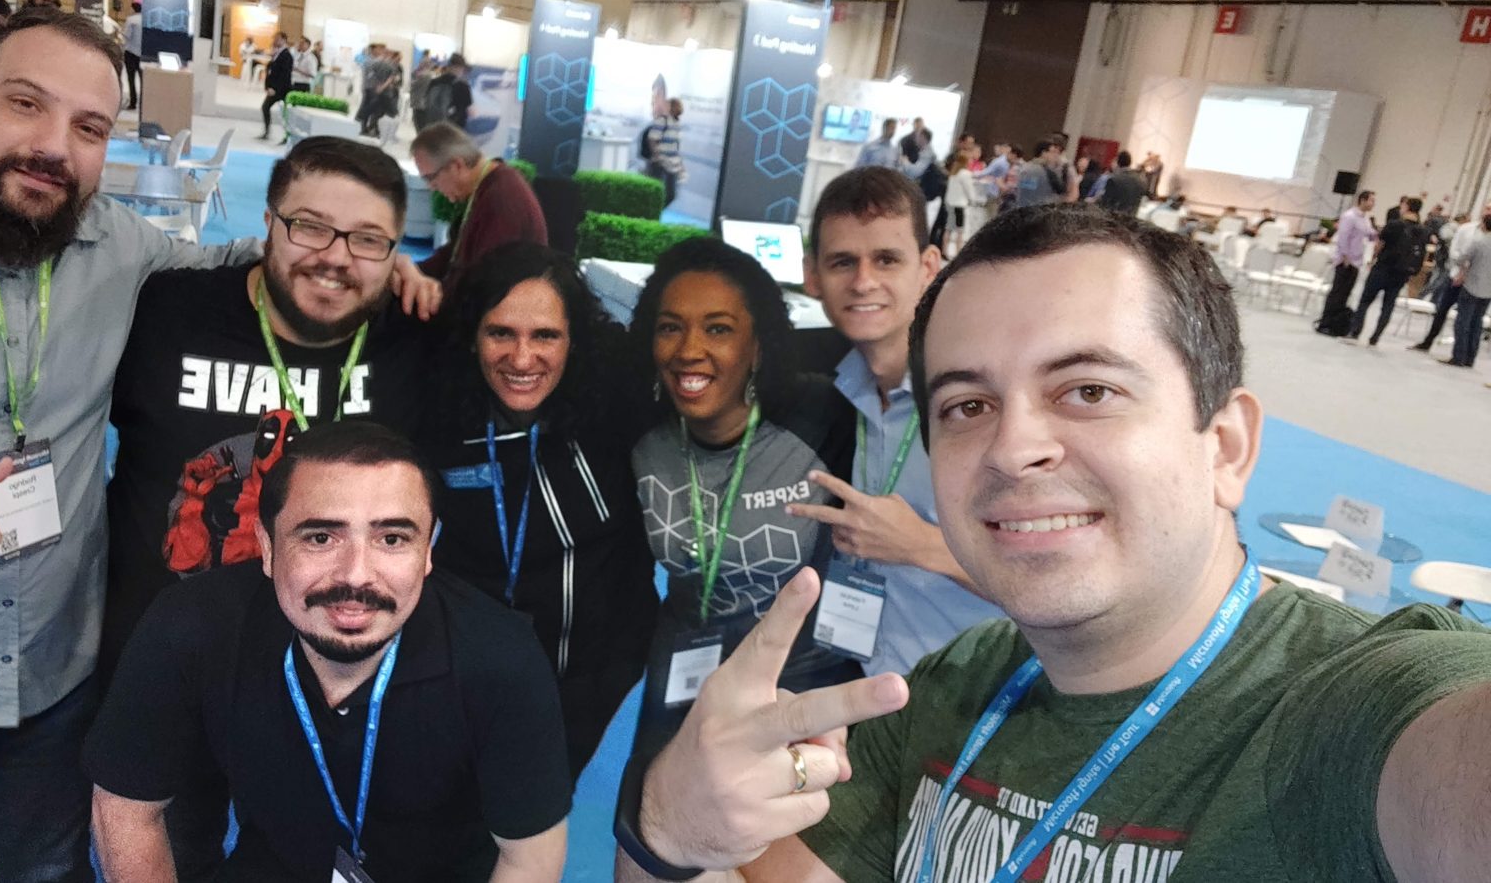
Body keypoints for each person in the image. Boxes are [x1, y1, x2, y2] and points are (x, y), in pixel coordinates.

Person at [619, 204, 1491, 883]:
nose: (1013, 447)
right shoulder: (943, 694)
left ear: (1226, 448)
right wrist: (671, 827)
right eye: (968, 405)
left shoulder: (1347, 711)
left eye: (1088, 390)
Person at [0, 11, 265, 881]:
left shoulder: (115, 245)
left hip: (51, 688)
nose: (55, 147)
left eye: (90, 128)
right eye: (26, 103)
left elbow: (241, 271)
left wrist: (360, 259)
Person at [99, 136, 445, 878]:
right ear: (268, 223)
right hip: (172, 667)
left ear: (395, 254)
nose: (335, 258)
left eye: (368, 239)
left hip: (327, 681)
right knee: (166, 848)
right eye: (310, 226)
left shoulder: (417, 341)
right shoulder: (166, 310)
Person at [85, 421, 571, 881]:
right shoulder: (191, 626)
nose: (356, 574)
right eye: (320, 537)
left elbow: (529, 858)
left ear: (427, 551)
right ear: (267, 547)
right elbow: (125, 808)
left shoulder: (501, 660)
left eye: (392, 538)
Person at [615, 239, 859, 870]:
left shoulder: (821, 418)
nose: (689, 349)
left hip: (796, 680)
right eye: (671, 326)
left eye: (718, 328)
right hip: (684, 676)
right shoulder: (638, 434)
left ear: (757, 346)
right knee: (654, 854)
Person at [417, 243, 658, 784]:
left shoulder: (616, 414)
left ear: (574, 340)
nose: (522, 359)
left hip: (585, 685)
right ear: (471, 335)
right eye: (500, 332)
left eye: (545, 335)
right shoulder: (436, 415)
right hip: (462, 682)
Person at [795, 167, 1001, 677]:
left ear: (929, 267)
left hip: (971, 691)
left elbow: (1065, 577)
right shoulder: (847, 385)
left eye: (887, 259)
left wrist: (920, 546)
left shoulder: (983, 400)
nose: (863, 281)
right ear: (812, 275)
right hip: (869, 678)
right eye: (843, 262)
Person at [412, 121, 548, 302]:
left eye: (431, 178)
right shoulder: (485, 186)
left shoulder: (502, 198)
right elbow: (453, 256)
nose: (432, 187)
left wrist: (427, 291)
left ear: (457, 165)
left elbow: (484, 284)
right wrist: (413, 272)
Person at [1346, 197, 1427, 345]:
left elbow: (1380, 243)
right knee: (1388, 304)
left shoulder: (1394, 224)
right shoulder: (1422, 230)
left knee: (1366, 300)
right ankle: (1376, 336)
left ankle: (1355, 330)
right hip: (1402, 272)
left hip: (1384, 266)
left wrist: (1373, 259)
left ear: (1406, 207)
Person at [1412, 207, 1485, 353]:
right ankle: (1428, 341)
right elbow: (1454, 250)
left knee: (1472, 319)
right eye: (1488, 209)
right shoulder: (1466, 229)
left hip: (1478, 283)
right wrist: (1462, 266)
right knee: (1442, 310)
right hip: (1456, 277)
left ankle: (1465, 354)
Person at [1316, 189, 1379, 336]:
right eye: (1371, 200)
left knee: (1345, 294)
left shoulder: (1365, 218)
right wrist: (1345, 256)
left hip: (1357, 261)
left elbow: (1369, 233)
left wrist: (1376, 236)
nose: (1373, 204)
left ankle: (1336, 323)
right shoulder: (1349, 216)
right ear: (1362, 200)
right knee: (1337, 293)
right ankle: (1325, 322)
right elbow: (1343, 237)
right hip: (1345, 260)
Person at [1443, 212, 1491, 369]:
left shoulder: (1478, 242)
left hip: (1471, 285)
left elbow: (1461, 258)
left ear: (1483, 224)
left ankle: (1458, 356)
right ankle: (1470, 358)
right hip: (1488, 289)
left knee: (1463, 321)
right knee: (1477, 323)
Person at [646, 96, 688, 209]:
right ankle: (652, 213)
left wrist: (681, 166)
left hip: (673, 165)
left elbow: (675, 147)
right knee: (656, 193)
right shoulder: (662, 121)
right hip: (660, 163)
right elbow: (652, 139)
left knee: (671, 194)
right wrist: (658, 156)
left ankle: (656, 211)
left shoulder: (677, 124)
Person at [1011, 138, 1066, 209]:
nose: (1055, 155)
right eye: (1053, 152)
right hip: (1032, 209)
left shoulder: (1047, 170)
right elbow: (1026, 192)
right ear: (1043, 153)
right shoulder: (1032, 169)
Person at [259, 31, 292, 140]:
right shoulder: (277, 53)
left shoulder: (286, 55)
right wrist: (268, 86)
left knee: (285, 113)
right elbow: (271, 70)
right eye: (274, 39)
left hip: (282, 89)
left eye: (277, 39)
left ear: (284, 40)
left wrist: (275, 88)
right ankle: (267, 131)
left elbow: (284, 75)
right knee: (265, 107)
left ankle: (287, 135)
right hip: (274, 88)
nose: (275, 41)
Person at [120, 1, 141, 110]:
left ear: (133, 9)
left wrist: (120, 32)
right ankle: (143, 104)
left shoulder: (131, 20)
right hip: (142, 54)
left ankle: (133, 102)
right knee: (143, 80)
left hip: (131, 53)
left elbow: (127, 35)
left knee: (131, 79)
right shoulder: (145, 20)